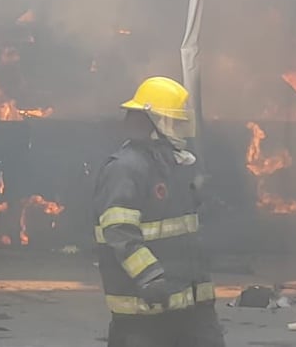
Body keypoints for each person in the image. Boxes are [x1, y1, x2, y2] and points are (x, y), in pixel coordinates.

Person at [92, 76, 225, 347]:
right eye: (173, 122)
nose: (179, 129)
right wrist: (150, 277)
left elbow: (181, 231)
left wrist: (198, 196)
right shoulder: (126, 168)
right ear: (152, 122)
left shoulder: (173, 165)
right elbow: (119, 231)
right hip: (145, 311)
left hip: (191, 310)